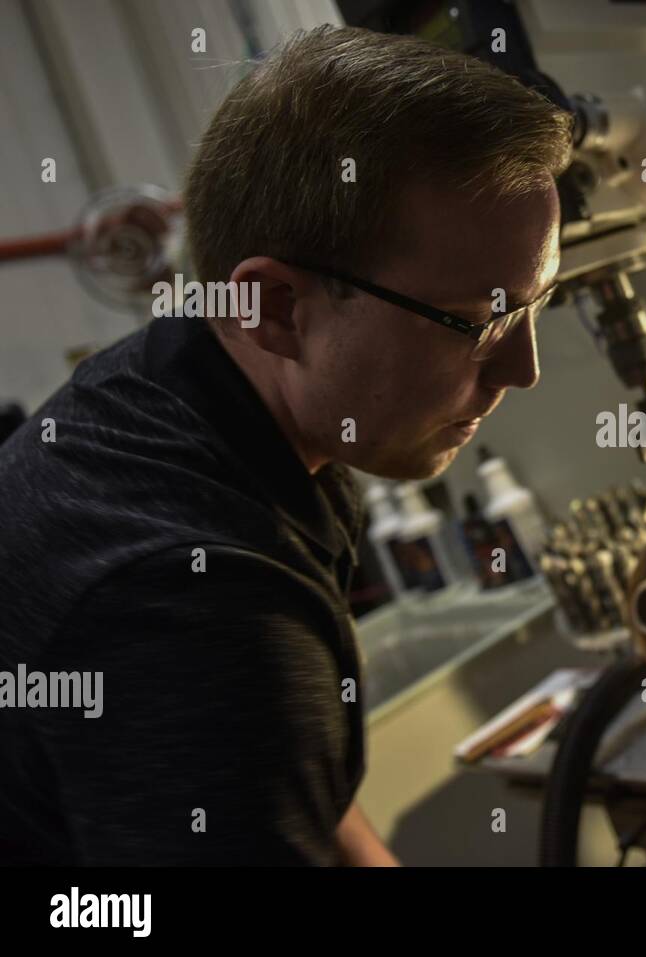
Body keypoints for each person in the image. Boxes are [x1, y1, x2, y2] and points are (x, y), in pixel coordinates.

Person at [0, 25, 572, 865]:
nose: (523, 368)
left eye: (537, 303)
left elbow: (302, 800)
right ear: (273, 305)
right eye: (483, 320)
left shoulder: (198, 386)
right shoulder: (197, 616)